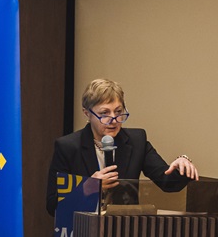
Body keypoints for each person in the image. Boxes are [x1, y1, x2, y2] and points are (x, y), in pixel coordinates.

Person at [46, 78, 199, 216]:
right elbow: (52, 206)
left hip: (123, 231)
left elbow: (168, 183)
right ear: (87, 114)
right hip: (81, 232)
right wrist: (88, 188)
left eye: (119, 112)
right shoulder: (68, 147)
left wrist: (182, 166)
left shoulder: (136, 141)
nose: (113, 119)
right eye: (104, 113)